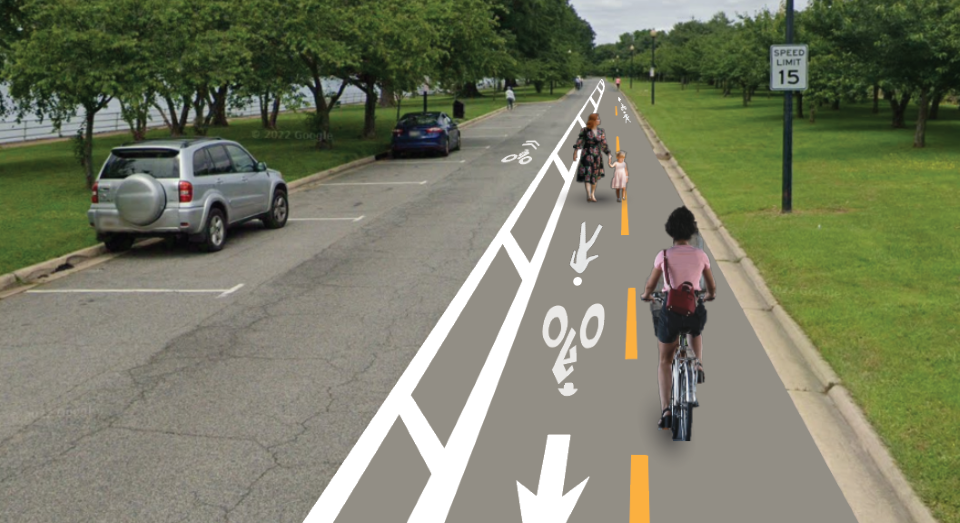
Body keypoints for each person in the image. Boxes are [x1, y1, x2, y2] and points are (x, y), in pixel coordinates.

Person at [640, 207, 717, 431]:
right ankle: (699, 365)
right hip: (692, 309)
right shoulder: (700, 256)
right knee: (696, 329)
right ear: (692, 231)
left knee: (665, 360)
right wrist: (710, 295)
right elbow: (711, 286)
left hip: (671, 311)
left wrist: (646, 295)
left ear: (671, 231)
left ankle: (665, 411)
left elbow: (650, 285)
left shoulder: (663, 255)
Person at [572, 113, 611, 202]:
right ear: (593, 121)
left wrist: (608, 153)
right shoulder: (585, 130)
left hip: (597, 156)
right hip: (586, 155)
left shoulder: (601, 131)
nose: (599, 120)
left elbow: (603, 144)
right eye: (597, 119)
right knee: (587, 175)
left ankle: (593, 193)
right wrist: (575, 152)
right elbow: (579, 142)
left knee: (595, 176)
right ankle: (589, 195)